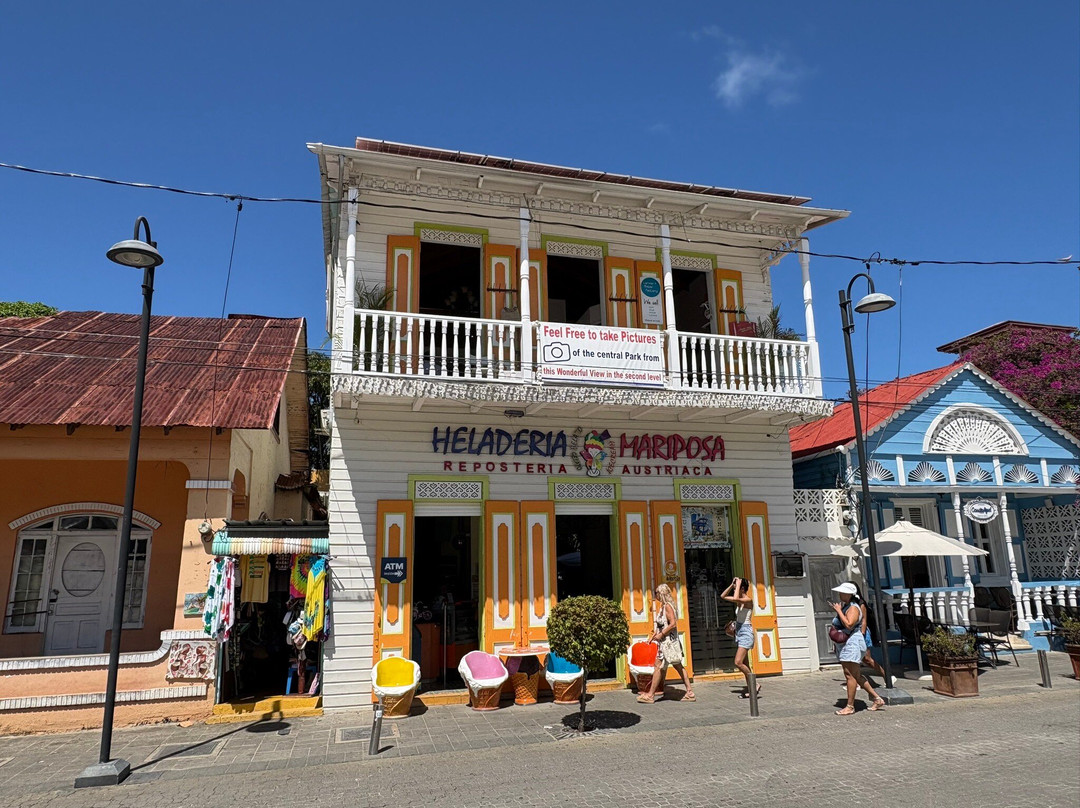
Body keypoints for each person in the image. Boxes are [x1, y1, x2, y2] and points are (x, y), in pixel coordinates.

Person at [830, 582, 885, 715]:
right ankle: (877, 698)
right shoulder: (847, 606)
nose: (839, 594)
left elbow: (849, 624)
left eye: (842, 592)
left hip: (852, 644)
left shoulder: (854, 608)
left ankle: (850, 706)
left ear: (849, 594)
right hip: (847, 644)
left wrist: (838, 611)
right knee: (856, 675)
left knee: (850, 676)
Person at [637, 584, 695, 703]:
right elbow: (662, 624)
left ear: (661, 594)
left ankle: (651, 695)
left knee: (660, 666)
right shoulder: (664, 607)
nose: (655, 595)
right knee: (674, 666)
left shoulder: (668, 607)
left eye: (657, 592)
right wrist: (654, 635)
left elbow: (673, 623)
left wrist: (661, 634)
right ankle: (689, 692)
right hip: (666, 642)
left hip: (668, 643)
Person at [721, 576, 758, 698]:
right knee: (745, 664)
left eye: (737, 587)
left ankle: (755, 683)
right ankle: (752, 690)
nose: (735, 589)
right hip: (740, 631)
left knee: (738, 662)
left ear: (742, 588)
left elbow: (736, 597)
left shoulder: (747, 600)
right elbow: (723, 596)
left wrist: (739, 582)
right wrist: (732, 585)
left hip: (746, 632)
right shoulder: (739, 600)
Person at [852, 583, 887, 686]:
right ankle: (855, 682)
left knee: (867, 659)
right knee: (855, 659)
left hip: (861, 633)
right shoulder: (850, 604)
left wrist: (862, 634)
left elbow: (864, 620)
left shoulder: (861, 603)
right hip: (853, 633)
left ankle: (886, 675)